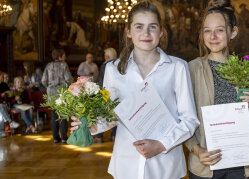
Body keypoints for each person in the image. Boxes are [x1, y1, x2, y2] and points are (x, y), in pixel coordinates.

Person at [70, 1, 199, 178]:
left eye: (152, 27)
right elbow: (111, 117)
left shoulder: (177, 67)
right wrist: (89, 124)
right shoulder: (113, 69)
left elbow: (189, 120)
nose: (146, 33)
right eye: (139, 27)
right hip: (126, 164)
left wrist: (162, 145)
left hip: (166, 166)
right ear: (129, 32)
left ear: (161, 32)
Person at [185, 0, 249, 179]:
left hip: (238, 163)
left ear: (233, 32)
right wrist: (196, 149)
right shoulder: (191, 69)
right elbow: (181, 116)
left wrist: (247, 108)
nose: (213, 36)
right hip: (204, 163)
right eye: (207, 31)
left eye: (219, 30)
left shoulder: (244, 70)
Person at [42, 48, 73, 143]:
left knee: (54, 116)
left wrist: (50, 87)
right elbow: (69, 79)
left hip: (51, 93)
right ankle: (64, 137)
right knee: (63, 115)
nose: (65, 57)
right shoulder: (64, 65)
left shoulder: (48, 65)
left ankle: (55, 138)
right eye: (64, 55)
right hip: (61, 92)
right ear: (60, 56)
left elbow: (43, 80)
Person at [96, 47, 118, 143]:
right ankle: (114, 136)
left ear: (107, 56)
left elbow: (101, 81)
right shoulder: (118, 64)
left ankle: (99, 137)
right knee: (115, 114)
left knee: (101, 114)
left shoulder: (105, 65)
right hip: (116, 93)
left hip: (105, 93)